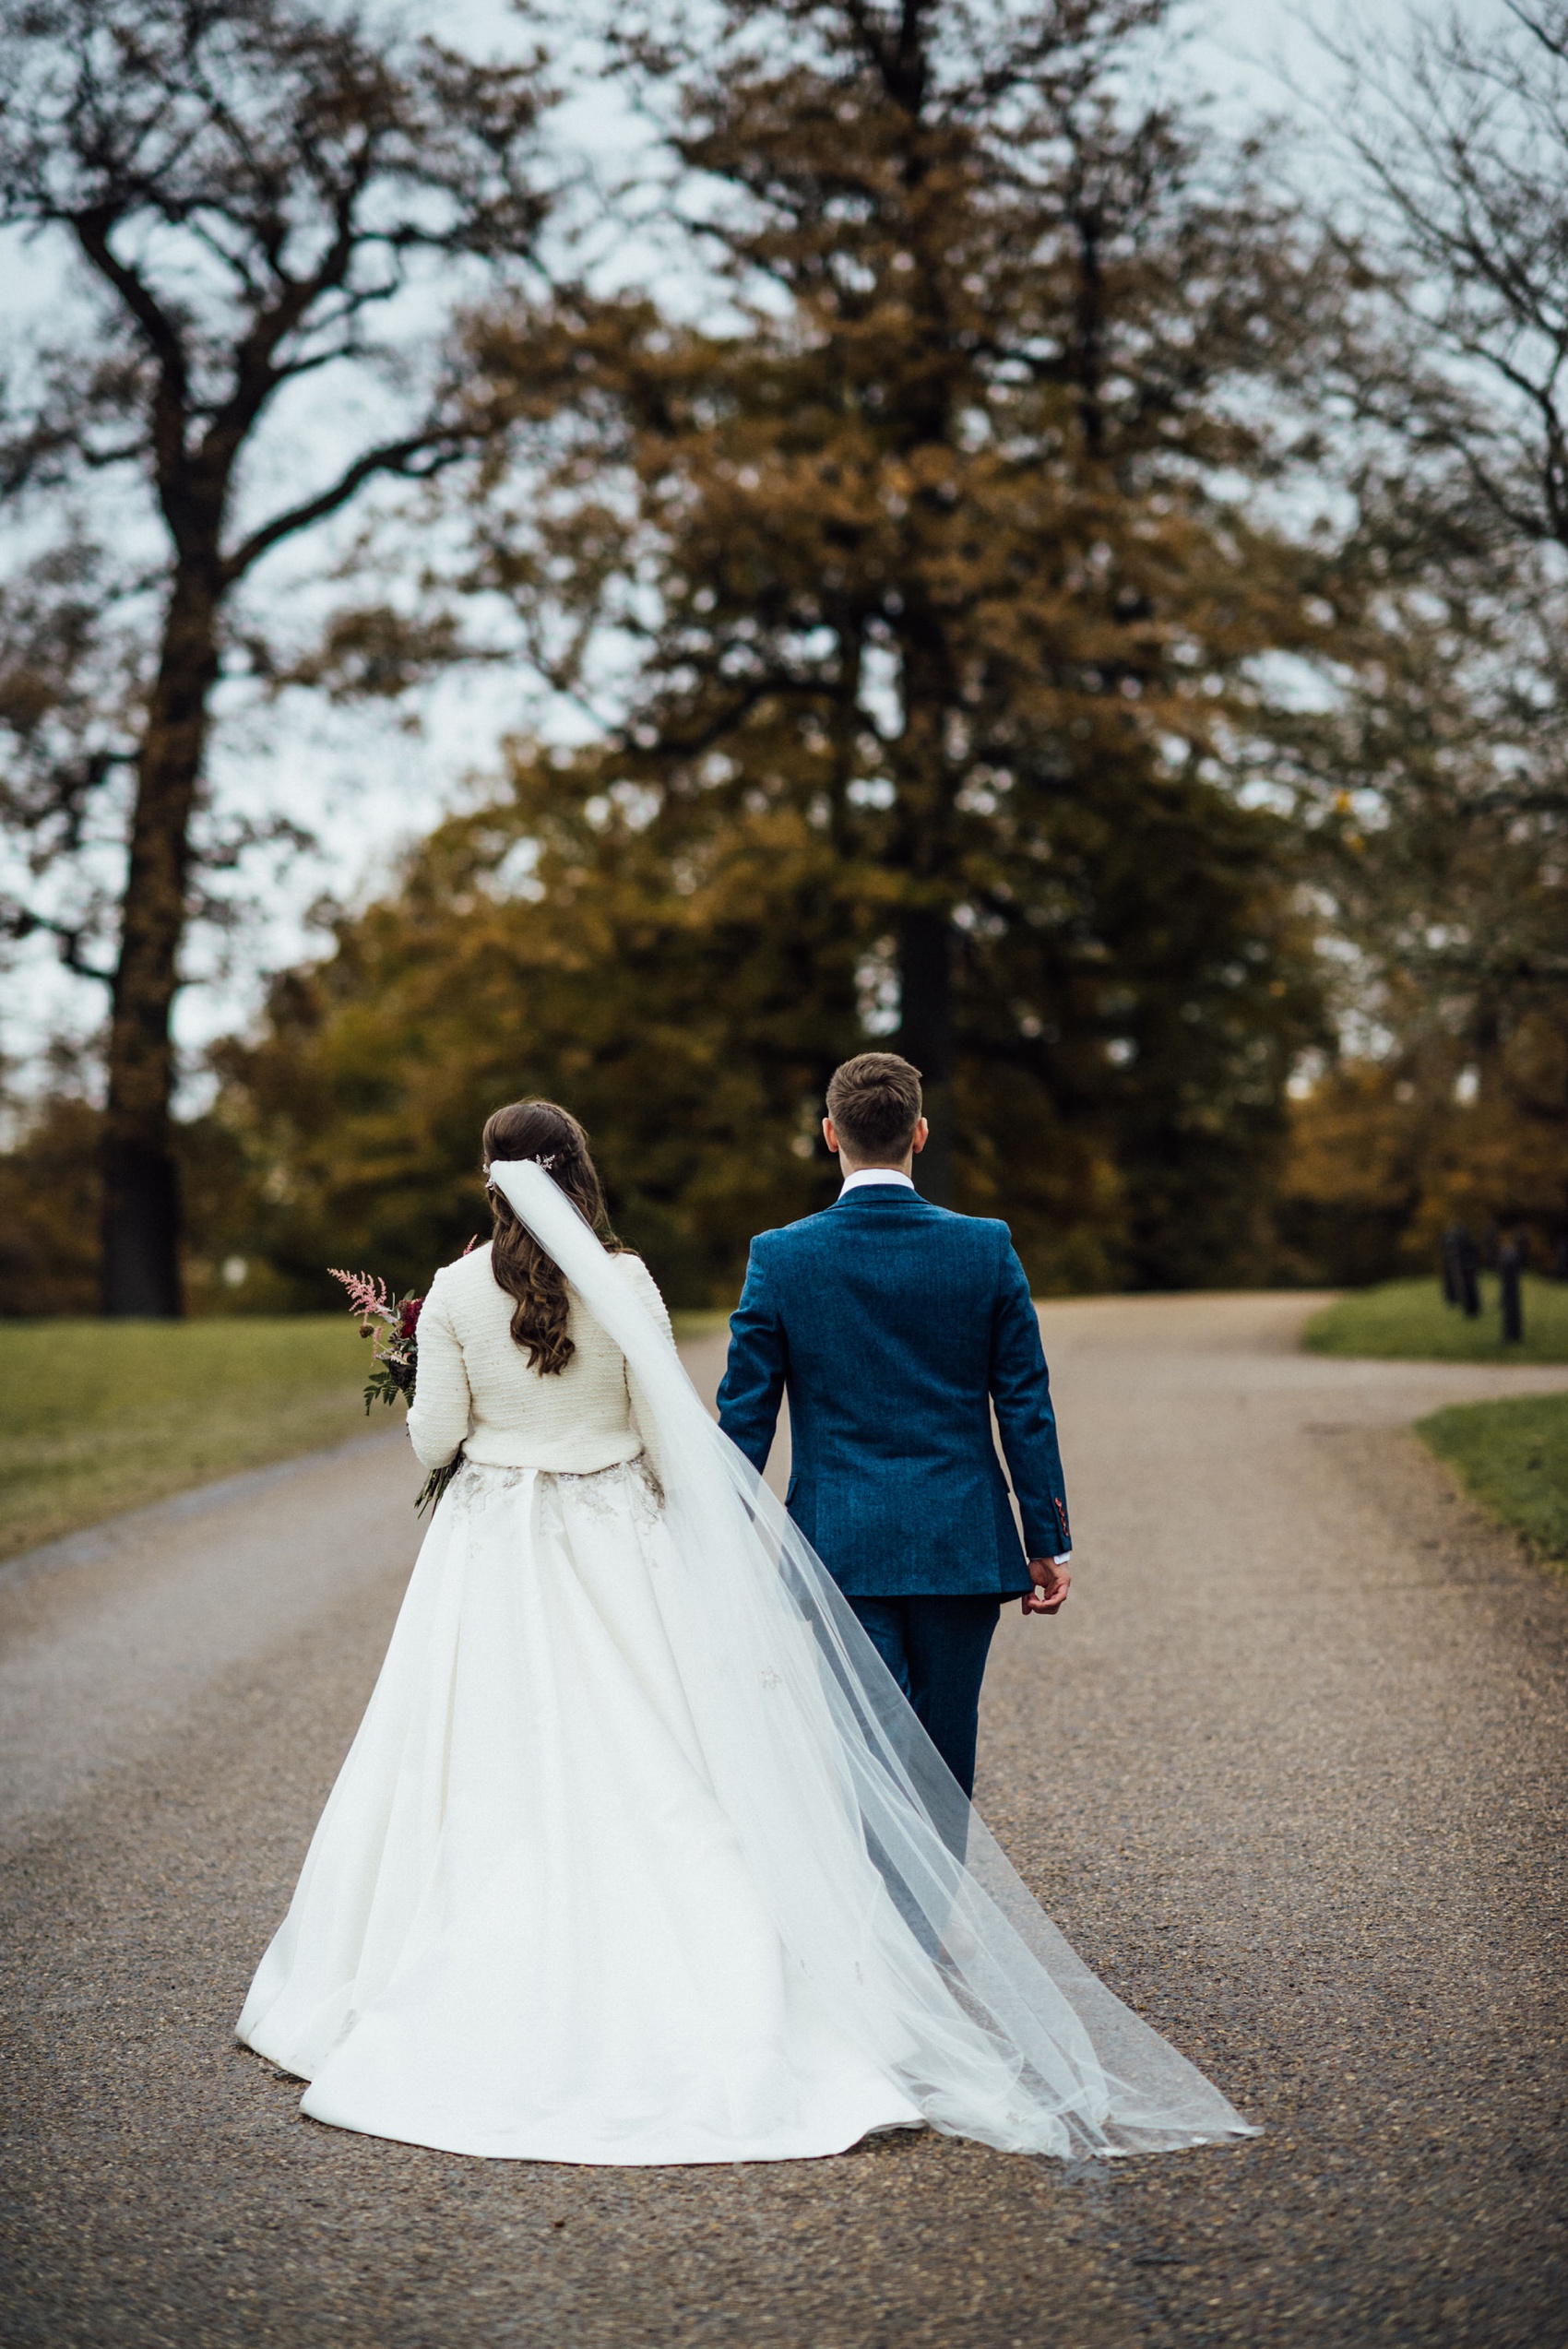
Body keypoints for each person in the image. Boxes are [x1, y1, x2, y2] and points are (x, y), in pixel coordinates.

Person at [238, 1097, 1255, 2164]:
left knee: (488, 1746)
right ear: (580, 1172)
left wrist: (421, 1385)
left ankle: (498, 1947)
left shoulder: (448, 1293)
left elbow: (436, 1441)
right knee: (668, 1755)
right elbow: (666, 1435)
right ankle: (860, 1954)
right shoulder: (623, 1281)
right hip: (622, 1535)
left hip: (499, 1550)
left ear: (487, 1181)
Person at [717, 1052, 1071, 1801]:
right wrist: (1048, 1539)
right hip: (961, 1541)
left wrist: (719, 1533)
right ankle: (924, 1921)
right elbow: (1024, 1403)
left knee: (864, 1756)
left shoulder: (780, 1257)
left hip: (837, 1545)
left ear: (828, 1133)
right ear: (920, 1133)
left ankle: (880, 1916)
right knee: (943, 1758)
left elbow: (745, 1414)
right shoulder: (985, 1246)